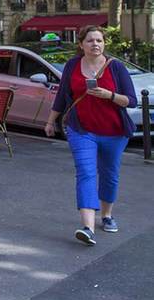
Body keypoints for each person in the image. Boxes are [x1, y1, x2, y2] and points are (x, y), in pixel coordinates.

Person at [44, 26, 136, 246]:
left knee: (109, 175)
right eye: (90, 40)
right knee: (85, 173)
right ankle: (88, 228)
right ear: (81, 44)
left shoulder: (116, 67)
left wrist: (109, 95)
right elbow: (62, 96)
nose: (95, 44)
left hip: (114, 132)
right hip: (82, 130)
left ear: (104, 44)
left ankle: (106, 215)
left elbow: (131, 100)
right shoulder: (72, 65)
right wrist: (50, 121)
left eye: (99, 40)